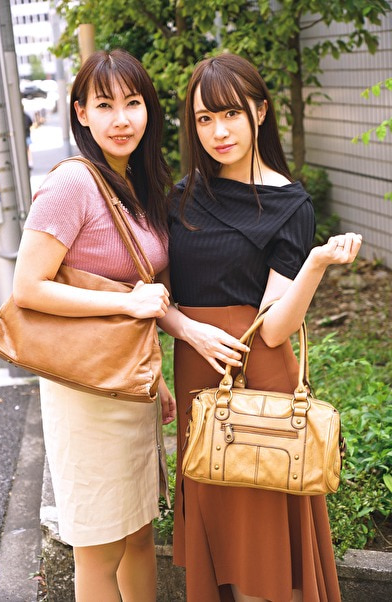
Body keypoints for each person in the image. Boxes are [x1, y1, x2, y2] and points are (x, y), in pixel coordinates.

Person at [158, 53, 362, 601]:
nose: (219, 132)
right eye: (204, 119)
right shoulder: (180, 196)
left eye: (231, 114)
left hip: (258, 378)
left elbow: (272, 330)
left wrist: (314, 265)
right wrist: (187, 330)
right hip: (198, 371)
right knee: (221, 543)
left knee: (260, 554)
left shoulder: (289, 204)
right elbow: (157, 296)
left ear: (261, 111)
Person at [13, 49, 176, 602]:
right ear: (81, 113)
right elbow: (28, 287)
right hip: (85, 389)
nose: (121, 119)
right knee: (99, 547)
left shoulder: (139, 185)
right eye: (104, 105)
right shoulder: (72, 184)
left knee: (139, 534)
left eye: (133, 103)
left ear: (148, 109)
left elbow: (141, 294)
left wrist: (155, 375)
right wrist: (129, 304)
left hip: (130, 382)